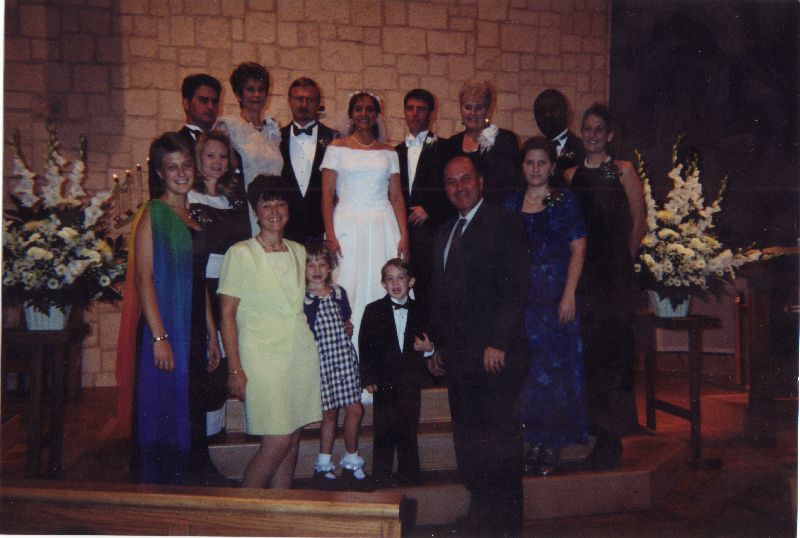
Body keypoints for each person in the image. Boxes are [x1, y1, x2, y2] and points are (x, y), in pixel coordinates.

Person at [429, 156, 530, 535]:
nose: (460, 187)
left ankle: (507, 524)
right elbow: (441, 297)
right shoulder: (444, 232)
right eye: (451, 182)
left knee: (499, 440)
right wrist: (438, 347)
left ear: (481, 181)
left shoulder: (504, 223)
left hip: (493, 354)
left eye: (465, 179)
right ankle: (481, 515)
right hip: (459, 356)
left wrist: (499, 342)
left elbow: (515, 288)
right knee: (469, 441)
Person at [218, 174, 321, 489]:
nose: (274, 211)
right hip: (262, 357)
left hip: (300, 354)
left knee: (293, 438)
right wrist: (235, 368)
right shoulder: (240, 253)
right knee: (278, 439)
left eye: (280, 203)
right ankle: (243, 511)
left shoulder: (299, 251)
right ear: (255, 211)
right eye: (266, 205)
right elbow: (227, 314)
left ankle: (280, 509)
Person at [116, 132, 205, 484]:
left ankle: (188, 481)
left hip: (193, 326)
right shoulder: (153, 213)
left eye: (186, 165)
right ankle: (161, 486)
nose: (181, 173)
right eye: (172, 167)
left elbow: (199, 280)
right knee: (164, 404)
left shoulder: (192, 215)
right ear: (159, 173)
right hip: (165, 326)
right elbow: (144, 279)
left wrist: (212, 332)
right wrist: (159, 337)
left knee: (189, 404)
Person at [564, 103, 647, 470]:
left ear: (609, 135)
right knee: (590, 355)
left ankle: (613, 438)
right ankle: (596, 432)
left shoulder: (623, 171)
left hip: (615, 277)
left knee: (615, 356)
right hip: (585, 278)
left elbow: (639, 222)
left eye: (599, 129)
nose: (592, 134)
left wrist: (622, 265)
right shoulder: (571, 175)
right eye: (587, 128)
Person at [504, 137, 588, 477]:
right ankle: (532, 442)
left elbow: (578, 249)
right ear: (522, 166)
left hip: (554, 302)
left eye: (542, 162)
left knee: (553, 374)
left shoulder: (565, 201)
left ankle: (551, 444)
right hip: (522, 302)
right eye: (530, 162)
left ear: (552, 166)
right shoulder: (511, 203)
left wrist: (569, 294)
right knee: (528, 375)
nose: (536, 169)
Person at [320, 91, 409, 346]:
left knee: (383, 284)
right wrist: (330, 234)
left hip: (382, 224)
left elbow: (396, 197)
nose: (364, 114)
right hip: (347, 223)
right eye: (358, 109)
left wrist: (404, 235)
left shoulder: (389, 152)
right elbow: (326, 195)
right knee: (347, 282)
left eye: (369, 109)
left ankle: (383, 353)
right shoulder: (336, 148)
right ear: (351, 114)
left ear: (377, 114)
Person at [187, 130, 250, 473]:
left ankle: (220, 437)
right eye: (210, 155)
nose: (217, 162)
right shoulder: (189, 198)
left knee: (229, 359)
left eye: (223, 156)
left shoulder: (235, 198)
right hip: (203, 287)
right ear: (198, 159)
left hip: (234, 285)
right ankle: (204, 448)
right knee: (209, 364)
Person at [359, 258, 434, 488]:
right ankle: (381, 476)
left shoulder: (422, 310)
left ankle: (409, 475)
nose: (395, 283)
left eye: (400, 277)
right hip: (384, 380)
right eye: (389, 279)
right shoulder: (373, 310)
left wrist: (429, 349)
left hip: (410, 379)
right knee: (383, 428)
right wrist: (368, 376)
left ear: (411, 281)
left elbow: (432, 341)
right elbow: (365, 345)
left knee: (408, 427)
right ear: (383, 284)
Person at [303, 241, 368, 491]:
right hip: (321, 362)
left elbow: (345, 321)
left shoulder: (338, 292)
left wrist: (348, 327)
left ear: (330, 267)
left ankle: (351, 461)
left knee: (355, 409)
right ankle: (323, 465)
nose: (317, 270)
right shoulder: (302, 298)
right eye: (311, 265)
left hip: (344, 358)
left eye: (322, 264)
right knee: (329, 414)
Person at [394, 89, 451, 311]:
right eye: (410, 108)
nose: (415, 113)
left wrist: (430, 209)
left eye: (421, 109)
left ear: (431, 114)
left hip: (431, 233)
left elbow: (453, 191)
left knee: (429, 292)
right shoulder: (395, 151)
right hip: (402, 232)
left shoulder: (445, 148)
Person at [215, 62, 283, 234]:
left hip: (273, 212)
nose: (256, 95)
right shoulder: (229, 126)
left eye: (261, 89)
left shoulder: (272, 131)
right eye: (250, 89)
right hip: (244, 212)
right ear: (239, 94)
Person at [439, 79, 522, 206]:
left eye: (479, 108)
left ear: (488, 110)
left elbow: (513, 186)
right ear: (460, 108)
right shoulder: (451, 145)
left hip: (494, 213)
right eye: (468, 107)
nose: (473, 113)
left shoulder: (504, 139)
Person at [146, 74, 223, 199]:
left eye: (214, 101)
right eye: (203, 100)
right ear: (186, 103)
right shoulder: (168, 146)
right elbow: (158, 194)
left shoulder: (225, 145)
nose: (210, 106)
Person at [279, 77, 335, 243]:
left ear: (318, 103)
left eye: (310, 100)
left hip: (322, 232)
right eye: (299, 99)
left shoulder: (334, 139)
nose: (304, 104)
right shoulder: (275, 138)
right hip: (284, 231)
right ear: (289, 101)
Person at [533, 89, 585, 187]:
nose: (547, 115)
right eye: (541, 111)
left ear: (567, 113)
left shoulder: (582, 149)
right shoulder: (532, 150)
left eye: (553, 110)